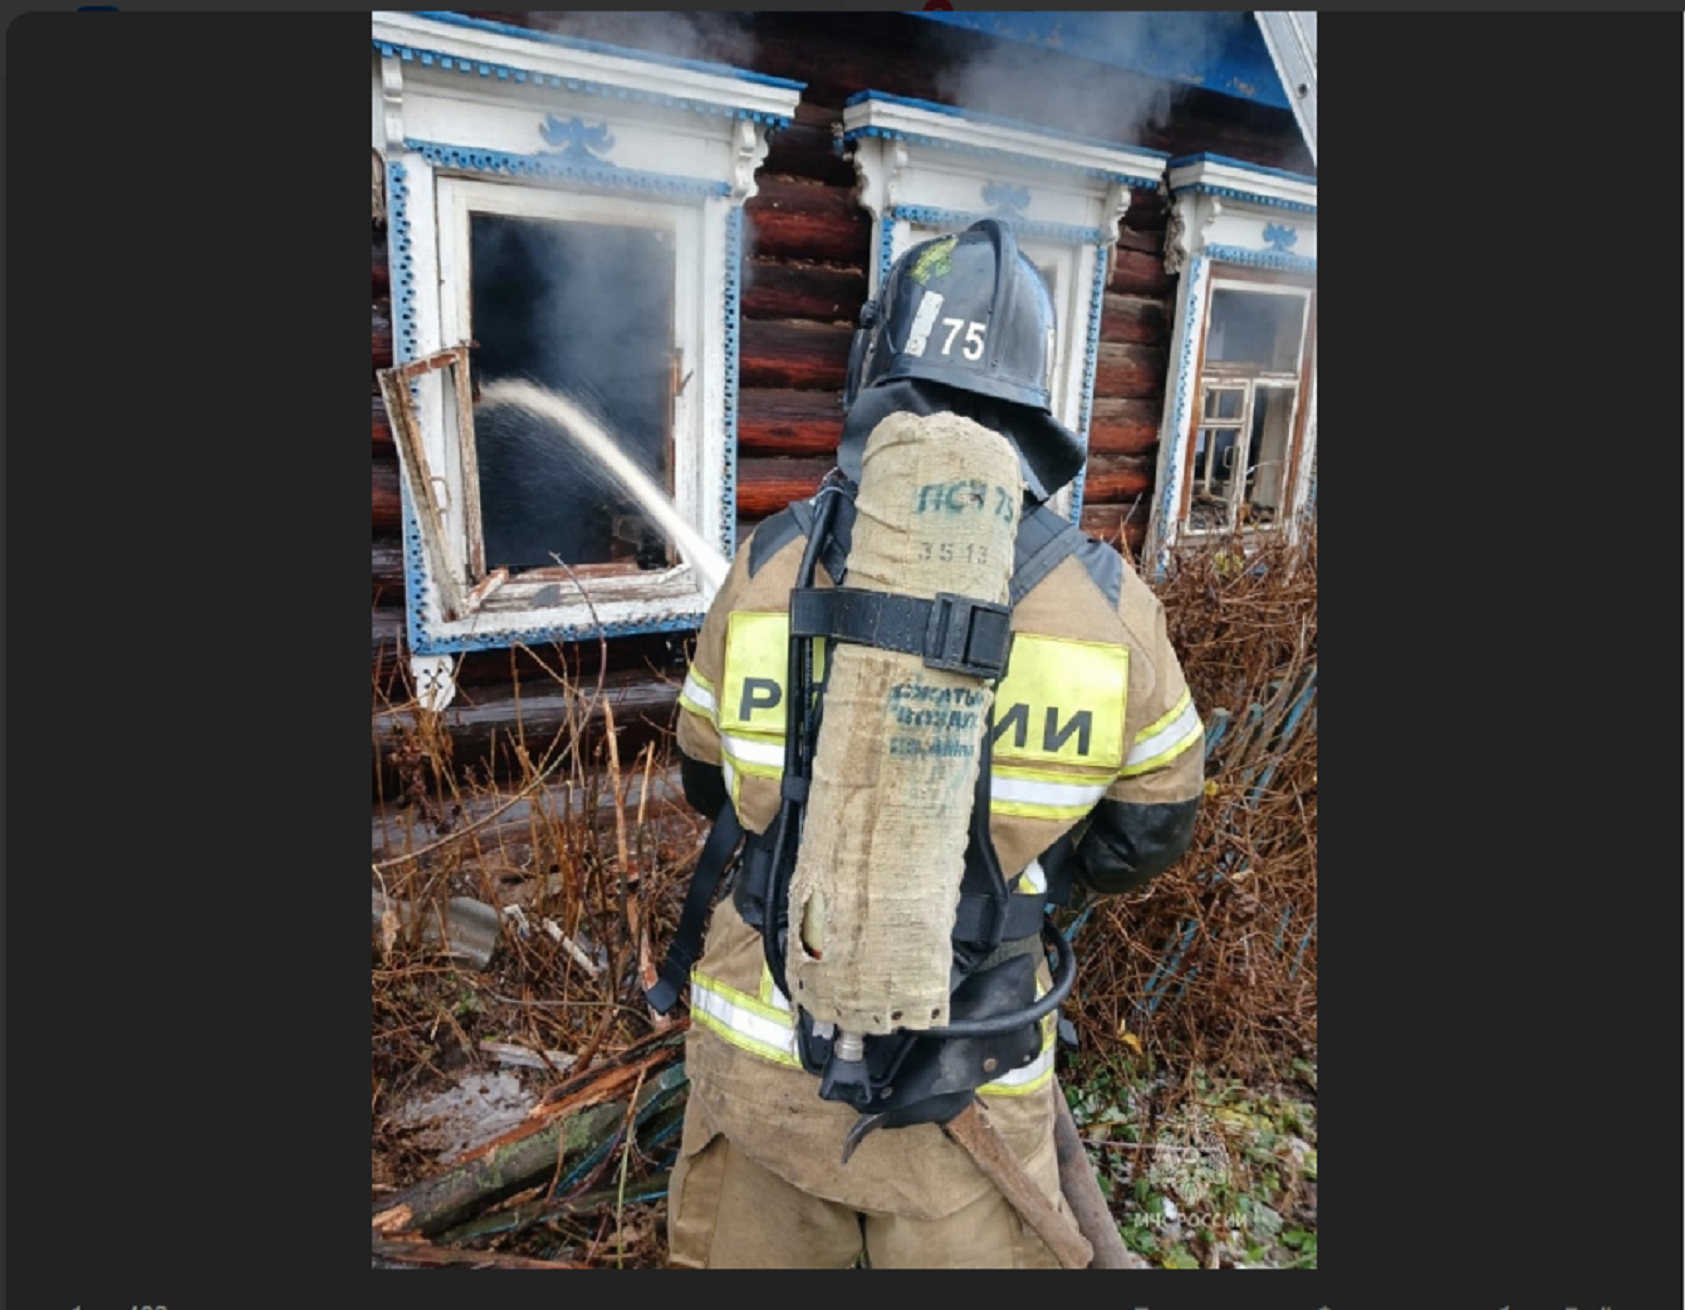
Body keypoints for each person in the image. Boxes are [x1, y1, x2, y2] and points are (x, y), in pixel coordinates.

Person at [653, 219, 1206, 1268]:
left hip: (767, 1075)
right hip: (971, 1091)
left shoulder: (767, 564)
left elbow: (704, 779)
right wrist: (1003, 874)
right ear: (1033, 392)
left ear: (876, 369)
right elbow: (1147, 833)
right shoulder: (1107, 606)